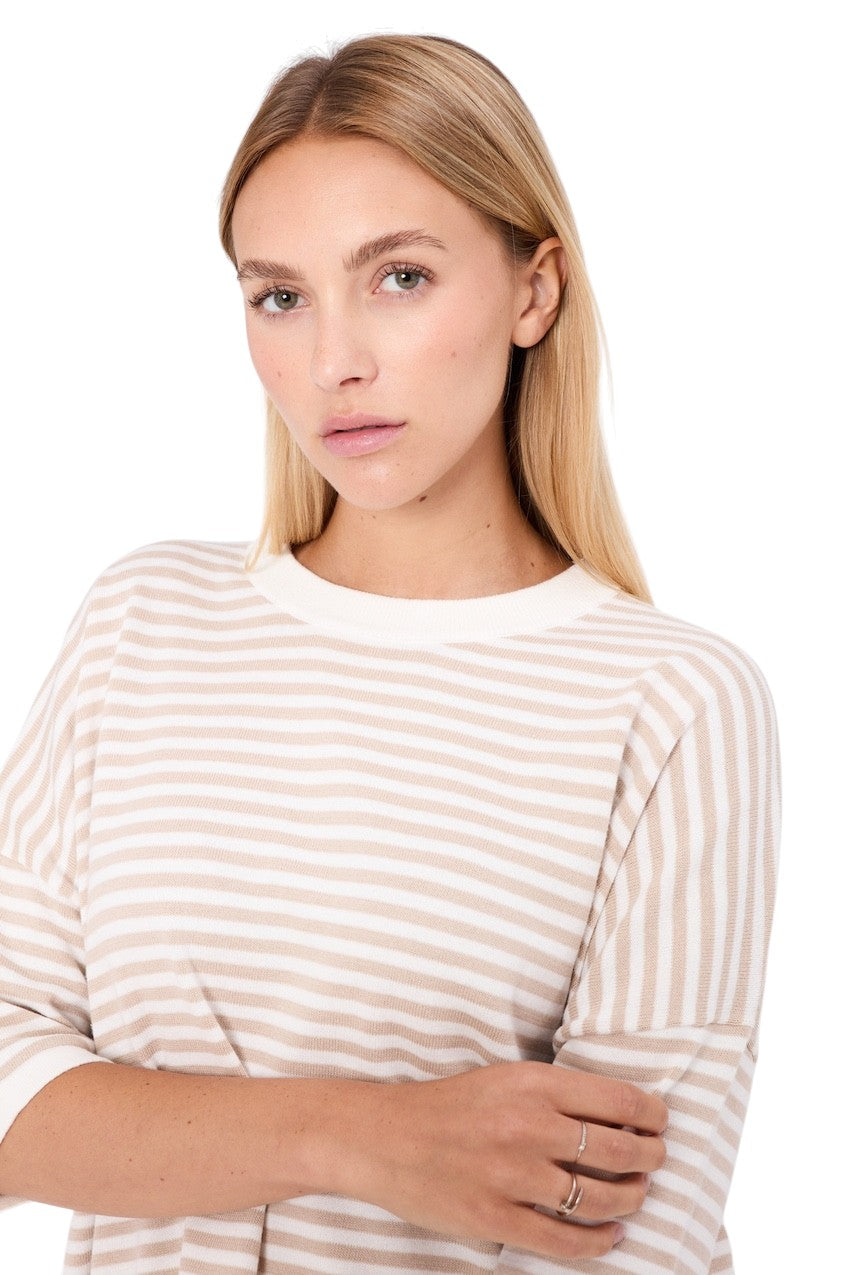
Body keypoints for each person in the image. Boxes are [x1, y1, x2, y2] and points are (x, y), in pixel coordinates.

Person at [0, 31, 780, 1275]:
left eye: (400, 277)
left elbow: (632, 1233)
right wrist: (363, 1138)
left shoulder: (669, 702)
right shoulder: (142, 622)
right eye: (281, 296)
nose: (333, 362)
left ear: (534, 292)